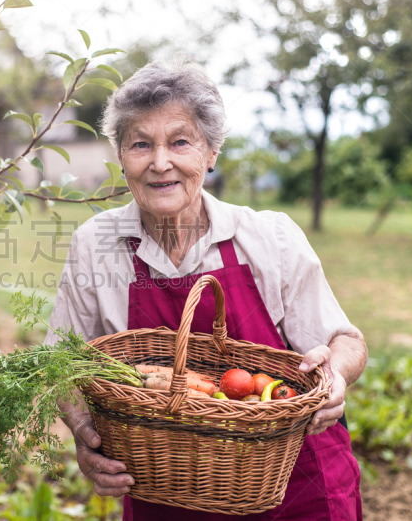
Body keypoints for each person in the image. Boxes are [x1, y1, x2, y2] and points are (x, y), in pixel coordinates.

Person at [42, 58, 367, 521]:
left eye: (180, 142)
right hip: (167, 489)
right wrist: (84, 433)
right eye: (140, 144)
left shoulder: (269, 236)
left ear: (211, 152)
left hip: (295, 489)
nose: (160, 163)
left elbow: (347, 341)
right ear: (120, 156)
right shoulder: (96, 245)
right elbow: (61, 364)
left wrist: (333, 376)